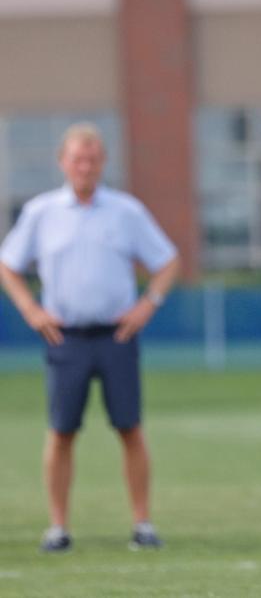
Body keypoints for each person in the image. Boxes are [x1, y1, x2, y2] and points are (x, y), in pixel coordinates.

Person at [0, 123, 179, 553]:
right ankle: (58, 527)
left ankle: (142, 523)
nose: (86, 166)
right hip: (66, 338)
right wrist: (30, 309)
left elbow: (167, 260)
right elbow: (8, 264)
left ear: (103, 163)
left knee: (130, 428)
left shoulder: (125, 211)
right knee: (61, 431)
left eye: (93, 158)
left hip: (116, 335)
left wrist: (147, 303)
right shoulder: (42, 212)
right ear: (63, 162)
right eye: (78, 158)